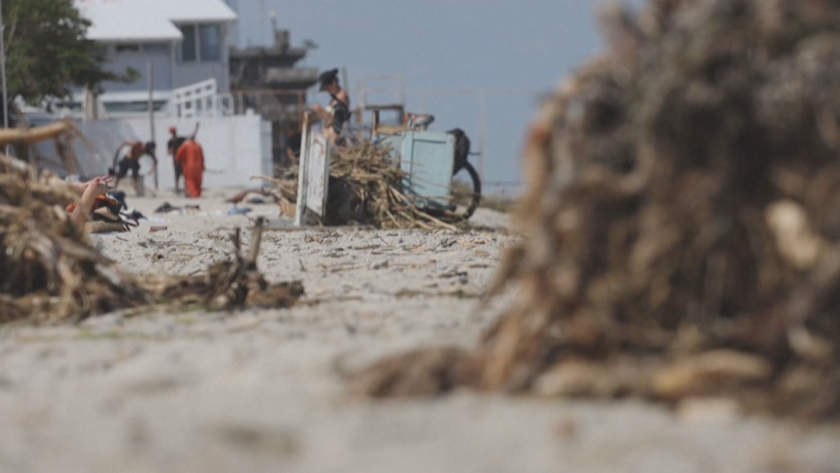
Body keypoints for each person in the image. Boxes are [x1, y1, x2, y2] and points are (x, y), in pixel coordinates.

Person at [310, 68, 351, 146]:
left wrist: (320, 110)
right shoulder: (333, 99)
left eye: (327, 87)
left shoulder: (342, 96)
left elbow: (336, 117)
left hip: (337, 135)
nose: (327, 90)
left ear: (333, 82)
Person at [167, 123, 200, 194]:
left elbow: (191, 137)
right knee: (177, 175)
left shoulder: (179, 139)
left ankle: (185, 189)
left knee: (184, 175)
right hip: (177, 160)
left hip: (182, 161)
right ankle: (177, 189)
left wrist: (196, 129)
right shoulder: (171, 142)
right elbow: (169, 152)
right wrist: (171, 151)